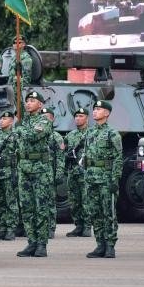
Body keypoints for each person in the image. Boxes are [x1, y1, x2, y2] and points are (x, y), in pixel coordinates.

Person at [15, 91, 54, 258]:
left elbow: (32, 136)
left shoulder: (44, 121)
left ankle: (41, 244)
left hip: (40, 169)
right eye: (27, 101)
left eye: (32, 100)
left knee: (41, 207)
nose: (28, 103)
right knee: (27, 207)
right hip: (24, 167)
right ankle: (31, 242)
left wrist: (19, 128)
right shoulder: (24, 121)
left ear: (40, 104)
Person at [83, 100, 122, 258]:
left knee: (108, 213)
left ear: (106, 113)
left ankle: (110, 245)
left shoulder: (112, 133)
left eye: (98, 109)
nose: (95, 111)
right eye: (94, 109)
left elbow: (118, 157)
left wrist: (115, 179)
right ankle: (100, 245)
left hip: (106, 178)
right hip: (91, 178)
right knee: (94, 212)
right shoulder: (90, 132)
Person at [0, 110, 19, 241]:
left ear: (11, 121)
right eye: (0, 119)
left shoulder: (15, 136)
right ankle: (2, 228)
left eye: (5, 119)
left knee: (11, 202)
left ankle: (11, 229)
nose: (1, 121)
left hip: (10, 172)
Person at [65, 107, 91, 238]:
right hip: (73, 172)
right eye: (76, 116)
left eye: (81, 116)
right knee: (74, 201)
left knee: (86, 200)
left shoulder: (92, 134)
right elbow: (64, 152)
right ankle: (78, 225)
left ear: (87, 118)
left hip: (86, 172)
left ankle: (87, 226)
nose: (78, 118)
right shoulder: (70, 136)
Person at [40, 106, 65, 240]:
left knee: (50, 202)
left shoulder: (56, 137)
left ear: (52, 119)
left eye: (47, 117)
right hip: (37, 174)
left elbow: (60, 158)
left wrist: (59, 174)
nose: (44, 120)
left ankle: (50, 228)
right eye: (42, 117)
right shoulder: (37, 135)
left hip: (49, 174)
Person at [8, 35, 33, 118]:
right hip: (12, 88)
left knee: (21, 111)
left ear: (23, 44)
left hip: (20, 88)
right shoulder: (13, 58)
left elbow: (26, 76)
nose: (16, 45)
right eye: (14, 43)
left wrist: (21, 88)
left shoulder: (26, 58)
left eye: (19, 43)